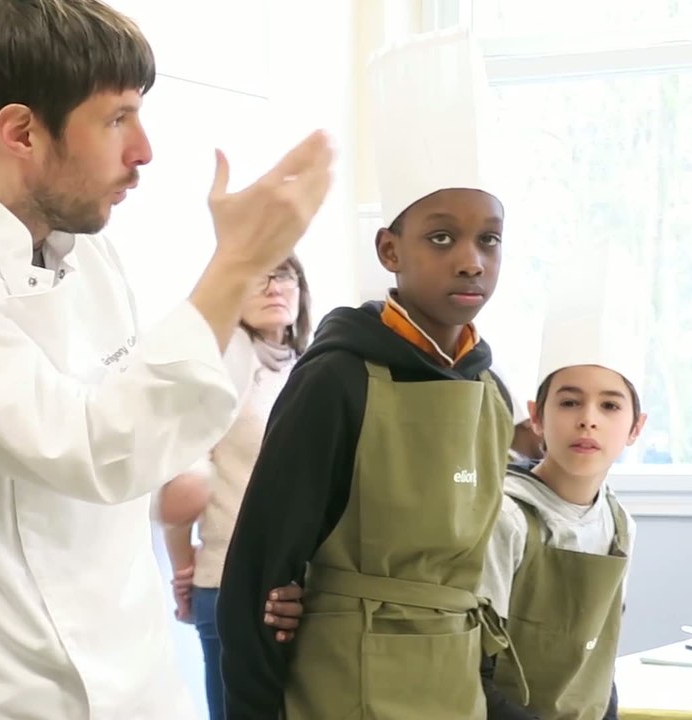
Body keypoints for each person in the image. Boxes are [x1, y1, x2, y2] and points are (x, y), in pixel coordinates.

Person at [0, 1, 332, 718]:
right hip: (1, 697)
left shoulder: (90, 256)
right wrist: (237, 265)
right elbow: (89, 448)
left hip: (142, 682)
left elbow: (141, 435)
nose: (144, 150)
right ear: (22, 132)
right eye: (118, 118)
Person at [215, 26, 517, 720]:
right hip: (344, 688)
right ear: (390, 251)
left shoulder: (492, 396)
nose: (470, 259)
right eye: (441, 237)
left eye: (489, 239)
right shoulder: (338, 380)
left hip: (455, 692)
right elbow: (259, 575)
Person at [480, 263, 646, 720]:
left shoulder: (619, 526)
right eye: (570, 402)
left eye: (609, 405)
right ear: (536, 416)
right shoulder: (506, 517)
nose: (588, 419)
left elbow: (601, 665)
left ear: (636, 427)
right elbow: (473, 673)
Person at [156, 254, 312, 720]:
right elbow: (180, 480)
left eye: (284, 275)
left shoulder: (310, 368)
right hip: (231, 583)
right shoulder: (223, 365)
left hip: (306, 588)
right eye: (258, 277)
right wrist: (184, 569)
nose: (274, 287)